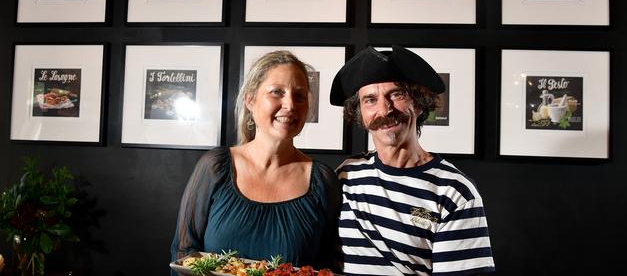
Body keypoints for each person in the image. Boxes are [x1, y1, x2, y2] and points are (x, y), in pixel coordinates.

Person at [330, 45, 495, 275]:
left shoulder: (454, 192)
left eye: (396, 94)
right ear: (361, 114)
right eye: (370, 100)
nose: (384, 110)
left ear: (418, 103)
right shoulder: (347, 175)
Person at [171, 50, 340, 270]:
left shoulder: (323, 181)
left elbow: (326, 267)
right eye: (277, 92)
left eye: (299, 95)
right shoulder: (215, 167)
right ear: (251, 100)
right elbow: (185, 253)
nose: (290, 104)